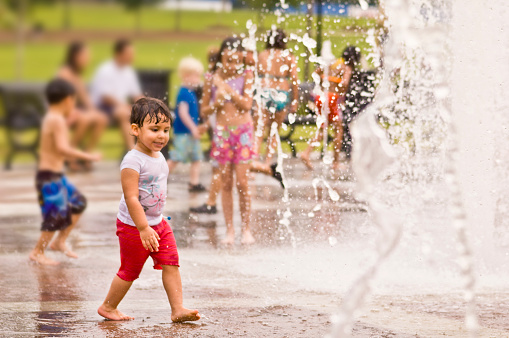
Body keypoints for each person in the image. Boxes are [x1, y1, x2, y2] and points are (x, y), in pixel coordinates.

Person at [97, 97, 200, 323]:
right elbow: (132, 197)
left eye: (165, 129)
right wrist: (143, 228)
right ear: (135, 130)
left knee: (171, 262)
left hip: (158, 223)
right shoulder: (132, 162)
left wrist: (156, 219)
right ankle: (108, 306)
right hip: (134, 227)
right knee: (130, 271)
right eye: (154, 129)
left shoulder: (159, 156)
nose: (162, 135)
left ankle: (178, 309)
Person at [29, 79, 101, 265]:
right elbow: (61, 148)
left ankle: (59, 241)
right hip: (49, 178)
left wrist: (68, 121)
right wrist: (88, 156)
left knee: (78, 203)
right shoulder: (56, 120)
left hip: (55, 176)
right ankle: (38, 252)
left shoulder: (53, 118)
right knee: (54, 216)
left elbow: (54, 142)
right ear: (68, 100)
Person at [201, 37, 255, 245]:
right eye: (228, 60)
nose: (232, 65)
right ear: (222, 57)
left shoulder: (246, 76)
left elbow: (247, 105)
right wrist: (217, 103)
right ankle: (230, 230)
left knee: (242, 182)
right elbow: (205, 110)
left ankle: (246, 229)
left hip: (242, 132)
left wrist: (227, 90)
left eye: (236, 61)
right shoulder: (210, 77)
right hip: (223, 132)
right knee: (226, 182)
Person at [300, 46, 358, 170]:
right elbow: (345, 84)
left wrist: (324, 82)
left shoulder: (332, 63)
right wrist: (338, 86)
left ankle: (306, 152)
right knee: (338, 131)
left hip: (321, 97)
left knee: (323, 129)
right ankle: (335, 163)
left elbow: (315, 73)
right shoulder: (346, 67)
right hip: (332, 99)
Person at [57, 41, 108, 172]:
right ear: (75, 56)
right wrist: (75, 111)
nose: (87, 59)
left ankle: (86, 154)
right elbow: (60, 100)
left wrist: (94, 111)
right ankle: (69, 155)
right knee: (84, 119)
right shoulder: (65, 73)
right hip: (61, 112)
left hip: (74, 111)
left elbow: (85, 98)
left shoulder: (77, 75)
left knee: (101, 118)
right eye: (85, 56)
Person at [253, 28, 299, 164]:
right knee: (274, 131)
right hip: (281, 93)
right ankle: (267, 162)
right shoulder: (288, 56)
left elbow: (253, 75)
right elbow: (294, 80)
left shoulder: (262, 55)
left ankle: (254, 161)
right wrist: (294, 100)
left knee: (259, 130)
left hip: (264, 91)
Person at [90, 39, 143, 150]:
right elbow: (105, 97)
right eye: (129, 54)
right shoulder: (105, 70)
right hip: (102, 107)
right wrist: (124, 105)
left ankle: (143, 150)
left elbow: (136, 94)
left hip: (118, 107)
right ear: (119, 54)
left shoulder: (128, 71)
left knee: (144, 114)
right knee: (125, 113)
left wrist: (147, 106)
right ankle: (132, 151)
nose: (132, 57)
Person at [167, 57, 208, 192]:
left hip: (191, 133)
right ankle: (159, 178)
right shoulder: (183, 93)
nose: (198, 78)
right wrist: (193, 128)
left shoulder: (190, 92)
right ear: (185, 76)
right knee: (176, 158)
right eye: (195, 75)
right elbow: (183, 113)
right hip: (183, 133)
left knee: (196, 158)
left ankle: (193, 183)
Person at [191, 47, 221, 214]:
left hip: (222, 130)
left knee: (220, 167)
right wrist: (207, 124)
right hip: (217, 127)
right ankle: (211, 201)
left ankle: (211, 203)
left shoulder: (216, 78)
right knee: (222, 166)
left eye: (211, 59)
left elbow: (215, 107)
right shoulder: (213, 78)